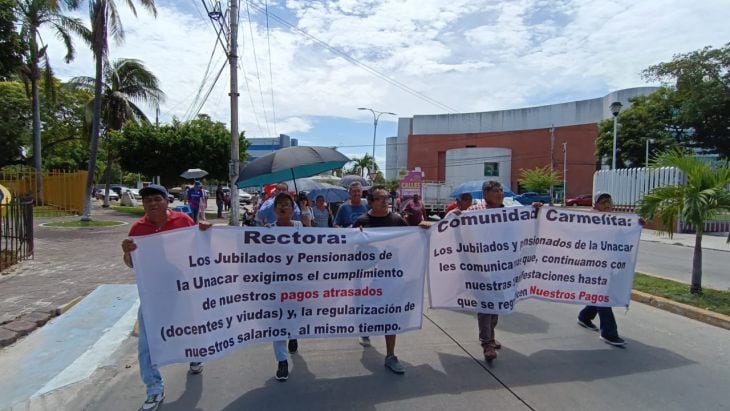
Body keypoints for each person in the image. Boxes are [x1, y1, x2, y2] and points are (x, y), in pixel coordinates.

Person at [120, 184, 212, 411]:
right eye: (147, 200)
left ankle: (194, 353)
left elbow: (198, 251)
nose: (152, 203)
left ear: (166, 201)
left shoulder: (183, 222)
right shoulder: (137, 228)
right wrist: (126, 252)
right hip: (154, 294)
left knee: (191, 328)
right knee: (147, 343)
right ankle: (154, 388)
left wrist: (204, 233)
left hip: (184, 288)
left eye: (157, 199)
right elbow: (133, 264)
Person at [351, 185, 409, 374]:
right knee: (369, 308)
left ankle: (390, 355)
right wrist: (356, 236)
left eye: (386, 197)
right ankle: (365, 326)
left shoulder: (397, 220)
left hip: (391, 275)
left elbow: (412, 239)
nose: (385, 201)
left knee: (390, 313)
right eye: (380, 198)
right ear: (371, 201)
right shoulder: (362, 221)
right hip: (369, 277)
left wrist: (424, 228)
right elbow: (352, 250)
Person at [577, 192, 628, 346]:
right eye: (603, 202)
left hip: (609, 266)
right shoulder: (590, 220)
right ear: (596, 205)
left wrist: (637, 225)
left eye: (609, 201)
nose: (607, 205)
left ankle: (585, 317)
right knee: (602, 296)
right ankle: (609, 332)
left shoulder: (614, 220)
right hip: (594, 266)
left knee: (601, 294)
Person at [465, 181, 507, 362]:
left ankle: (490, 334)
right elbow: (455, 220)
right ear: (485, 194)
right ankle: (487, 343)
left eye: (501, 191)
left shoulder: (510, 212)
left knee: (496, 303)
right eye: (496, 191)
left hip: (502, 267)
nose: (500, 194)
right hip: (480, 266)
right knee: (486, 305)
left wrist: (536, 209)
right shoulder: (476, 211)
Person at [267, 192, 302, 381]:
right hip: (276, 285)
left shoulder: (300, 226)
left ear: (292, 209)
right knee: (278, 321)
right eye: (279, 204)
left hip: (297, 283)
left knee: (295, 316)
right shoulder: (267, 231)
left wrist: (309, 228)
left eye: (287, 204)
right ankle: (282, 360)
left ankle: (293, 333)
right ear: (274, 210)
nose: (283, 207)